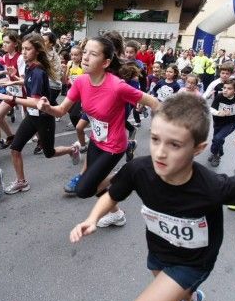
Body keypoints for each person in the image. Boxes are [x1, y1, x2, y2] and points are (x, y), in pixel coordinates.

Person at [69, 93, 235, 301]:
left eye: (175, 145)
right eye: (155, 139)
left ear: (198, 148)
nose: (160, 152)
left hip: (195, 261)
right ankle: (192, 300)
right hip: (158, 250)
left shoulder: (211, 187)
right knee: (171, 284)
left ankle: (189, 296)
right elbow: (112, 194)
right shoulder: (138, 170)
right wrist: (92, 218)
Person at [37, 36, 159, 226]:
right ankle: (117, 214)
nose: (85, 57)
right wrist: (46, 108)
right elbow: (61, 110)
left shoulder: (117, 86)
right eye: (85, 52)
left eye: (92, 54)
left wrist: (160, 132)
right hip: (96, 140)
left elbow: (152, 101)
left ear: (106, 62)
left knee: (84, 189)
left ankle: (129, 174)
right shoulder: (81, 82)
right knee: (97, 184)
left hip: (114, 146)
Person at [0, 33, 81, 194]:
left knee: (49, 153)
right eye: (23, 49)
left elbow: (36, 102)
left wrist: (12, 98)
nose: (24, 52)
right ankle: (21, 182)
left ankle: (71, 150)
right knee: (15, 148)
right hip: (32, 116)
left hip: (43, 118)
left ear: (38, 51)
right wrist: (13, 77)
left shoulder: (39, 72)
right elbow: (27, 83)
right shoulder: (29, 66)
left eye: (28, 49)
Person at [208, 79, 235, 167]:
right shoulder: (219, 96)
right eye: (224, 88)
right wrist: (219, 113)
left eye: (229, 88)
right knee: (216, 139)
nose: (225, 90)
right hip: (217, 122)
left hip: (230, 123)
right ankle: (215, 152)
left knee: (218, 138)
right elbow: (211, 109)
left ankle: (217, 155)